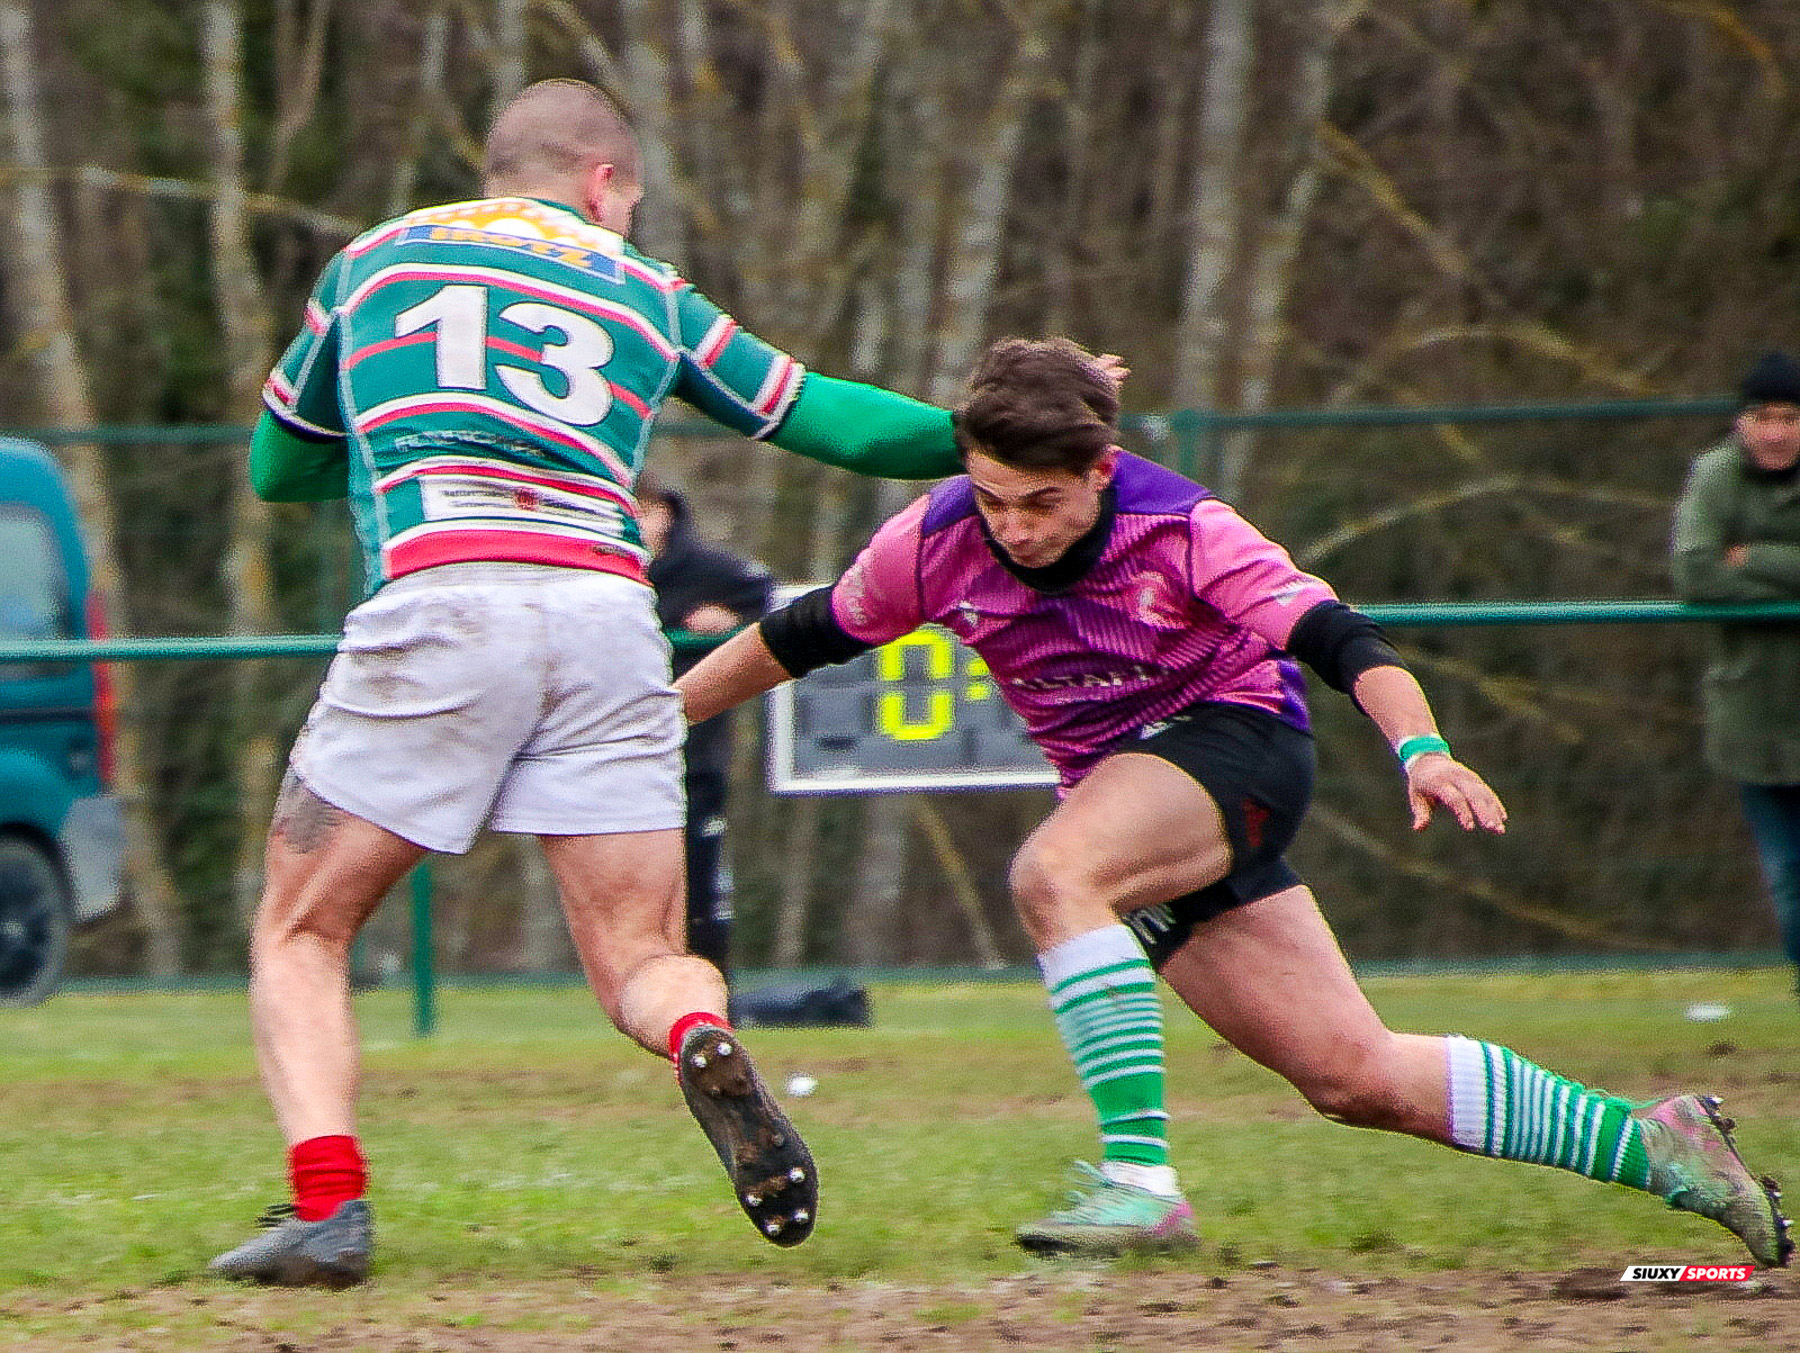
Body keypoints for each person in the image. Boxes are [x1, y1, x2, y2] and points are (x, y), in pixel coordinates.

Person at [676, 336, 1794, 1266]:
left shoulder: (1184, 531)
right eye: (994, 497)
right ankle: (1657, 1145)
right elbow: (800, 635)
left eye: (1042, 502)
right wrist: (656, 720)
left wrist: (1423, 747)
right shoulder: (938, 540)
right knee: (1354, 1077)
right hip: (1139, 800)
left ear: (1103, 471)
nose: (1013, 527)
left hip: (1238, 749)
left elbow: (1344, 640)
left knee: (1057, 875)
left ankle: (1139, 1182)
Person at [209, 78, 967, 1287]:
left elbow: (274, 469)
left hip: (444, 599)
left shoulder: (375, 263)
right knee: (636, 949)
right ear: (605, 182)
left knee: (303, 924)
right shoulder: (644, 290)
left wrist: (389, 452)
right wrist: (992, 427)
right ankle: (699, 1030)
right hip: (613, 618)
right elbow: (836, 424)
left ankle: (328, 1208)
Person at [1671, 350, 1800, 999]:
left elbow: (1724, 571)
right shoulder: (1716, 477)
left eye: (1789, 417)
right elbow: (1696, 572)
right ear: (1741, 421)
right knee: (1787, 874)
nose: (1775, 431)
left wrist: (1757, 558)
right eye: (1762, 416)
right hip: (1752, 718)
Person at [638, 470, 774, 978]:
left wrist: (731, 623)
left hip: (693, 761)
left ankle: (712, 1006)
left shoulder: (710, 571)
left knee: (699, 893)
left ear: (666, 516)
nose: (635, 528)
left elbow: (768, 597)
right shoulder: (596, 577)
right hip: (614, 760)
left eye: (644, 515)